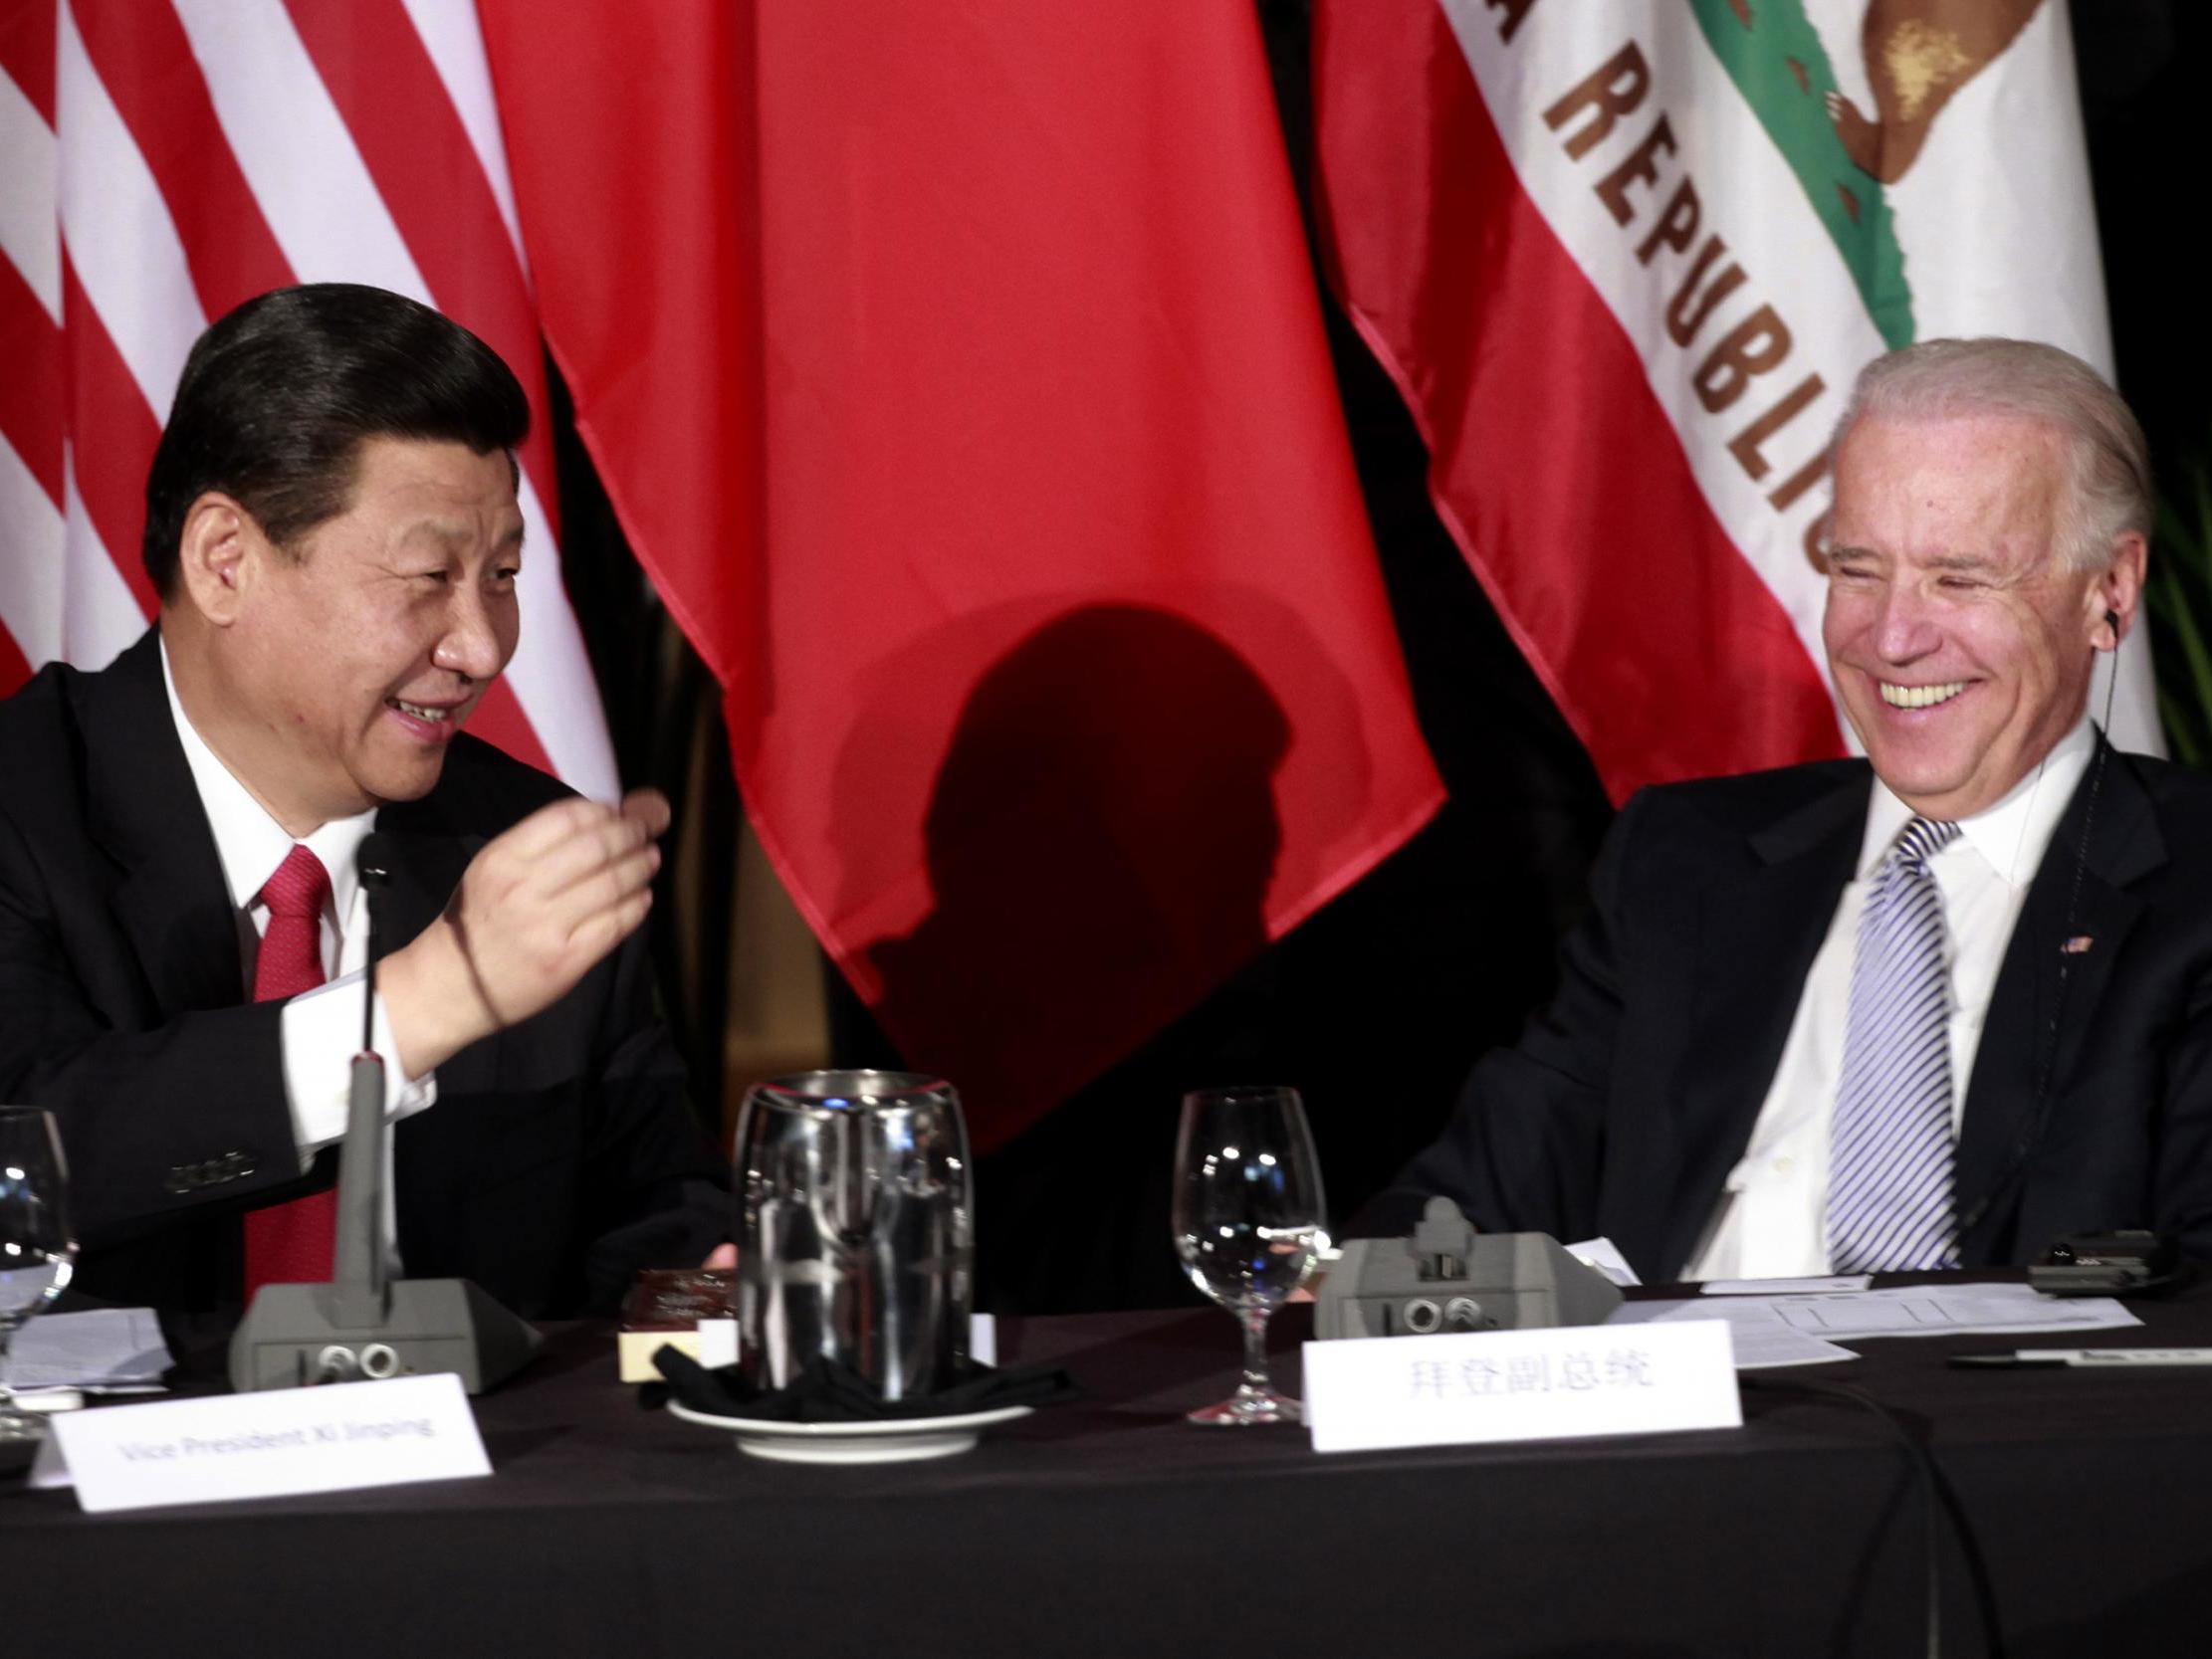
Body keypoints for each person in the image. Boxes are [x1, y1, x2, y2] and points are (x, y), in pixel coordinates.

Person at [1368, 336, 2212, 1281]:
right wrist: (1351, 1298)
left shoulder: (2191, 889)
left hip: (2003, 1422)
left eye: (1959, 578)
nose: (1891, 636)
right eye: (1858, 569)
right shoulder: (1685, 860)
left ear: (2111, 589)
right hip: (1660, 1406)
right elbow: (1471, 1201)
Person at [0, 284, 727, 1318]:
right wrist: (421, 1004)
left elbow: (653, 1214)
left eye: (504, 574)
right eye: (429, 574)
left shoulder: (521, 851)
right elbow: (29, 1160)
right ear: (225, 561)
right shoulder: (25, 807)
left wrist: (712, 1287)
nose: (479, 647)